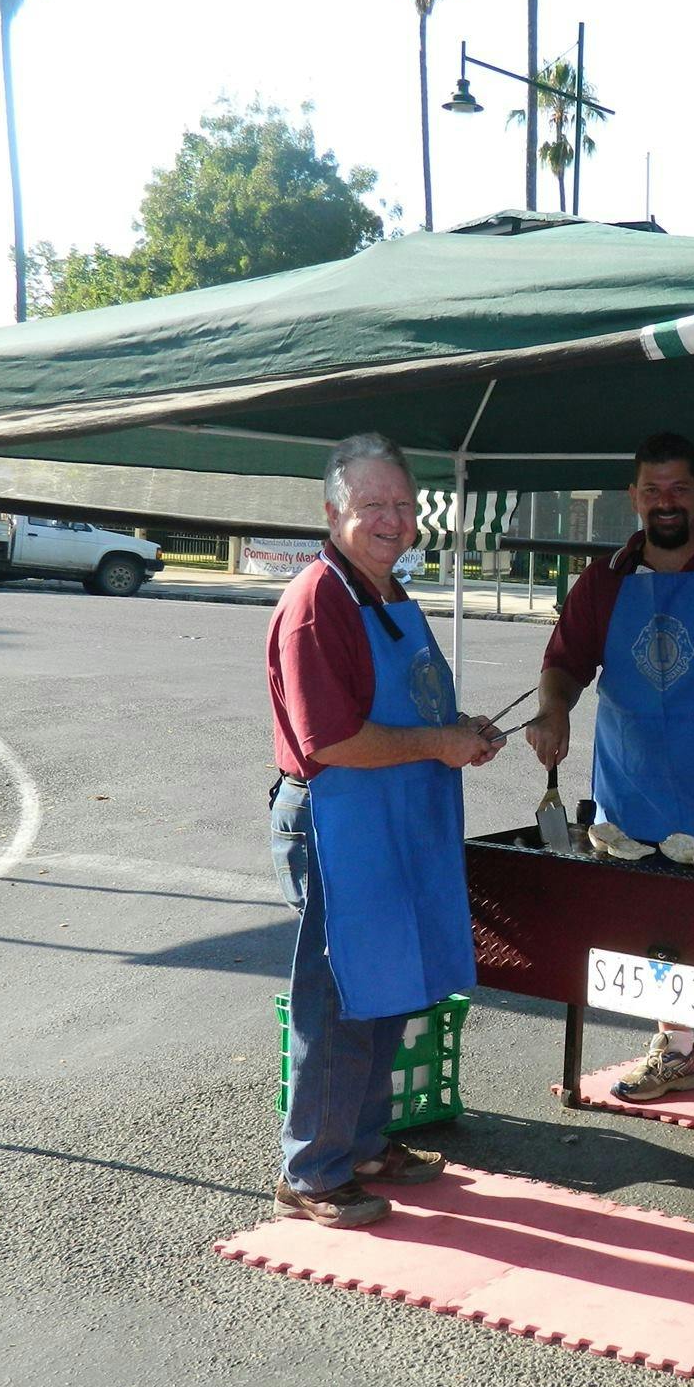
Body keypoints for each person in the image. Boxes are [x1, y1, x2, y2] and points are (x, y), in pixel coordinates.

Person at [527, 432, 694, 1128]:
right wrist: (554, 713)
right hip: (634, 785)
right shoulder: (605, 579)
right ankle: (676, 1050)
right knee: (657, 927)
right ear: (634, 497)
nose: (666, 502)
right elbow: (563, 665)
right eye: (653, 490)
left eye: (679, 489)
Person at [266, 432, 505, 1228]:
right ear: (333, 511)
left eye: (402, 505)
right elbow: (329, 743)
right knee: (339, 999)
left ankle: (364, 1144)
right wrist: (438, 743)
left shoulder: (389, 592)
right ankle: (312, 1173)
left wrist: (460, 726)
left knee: (386, 989)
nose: (392, 520)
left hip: (397, 822)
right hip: (338, 824)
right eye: (373, 505)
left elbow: (412, 709)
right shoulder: (317, 601)